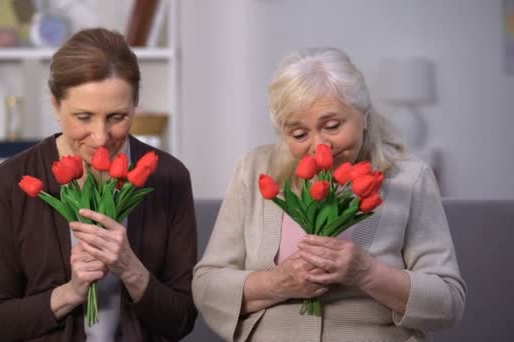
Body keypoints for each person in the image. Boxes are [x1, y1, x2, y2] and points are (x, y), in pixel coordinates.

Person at [192, 47, 466, 341]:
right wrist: (277, 283)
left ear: (364, 115)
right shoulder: (253, 168)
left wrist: (367, 273)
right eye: (299, 134)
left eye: (332, 126)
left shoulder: (409, 177)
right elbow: (207, 285)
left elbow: (448, 301)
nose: (319, 146)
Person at [0, 28, 197, 342]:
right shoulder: (13, 179)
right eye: (83, 117)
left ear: (136, 105)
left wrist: (130, 268)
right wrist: (70, 292)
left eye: (117, 116)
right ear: (55, 105)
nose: (101, 137)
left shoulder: (169, 177)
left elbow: (182, 320)